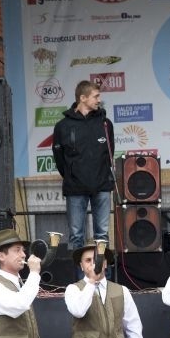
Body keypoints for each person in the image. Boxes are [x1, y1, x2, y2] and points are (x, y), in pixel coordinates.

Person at [52, 80, 115, 255]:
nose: (99, 100)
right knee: (76, 237)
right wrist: (71, 175)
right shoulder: (62, 126)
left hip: (102, 184)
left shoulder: (105, 123)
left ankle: (103, 279)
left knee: (102, 235)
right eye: (96, 96)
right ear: (83, 98)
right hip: (75, 187)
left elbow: (109, 154)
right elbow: (59, 158)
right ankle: (78, 281)